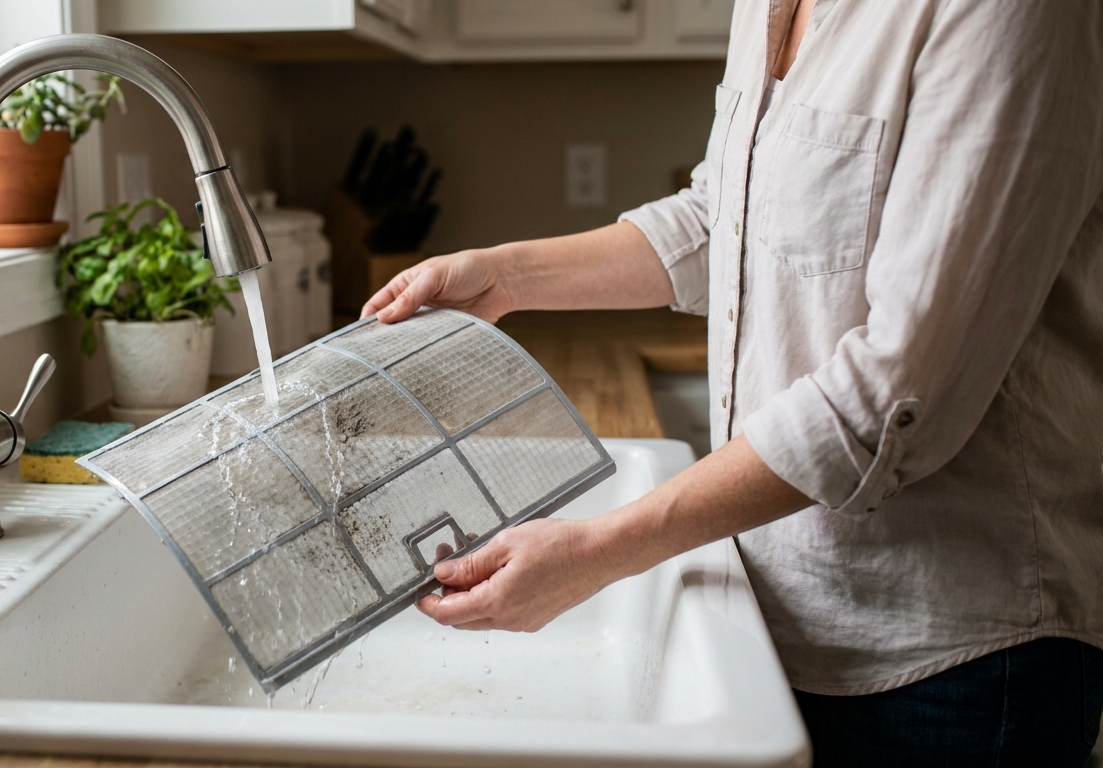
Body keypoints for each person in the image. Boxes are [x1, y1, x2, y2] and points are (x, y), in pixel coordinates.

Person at [361, 0, 1103, 764]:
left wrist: (598, 551)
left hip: (954, 659)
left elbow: (894, 393)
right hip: (792, 613)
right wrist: (506, 276)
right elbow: (727, 217)